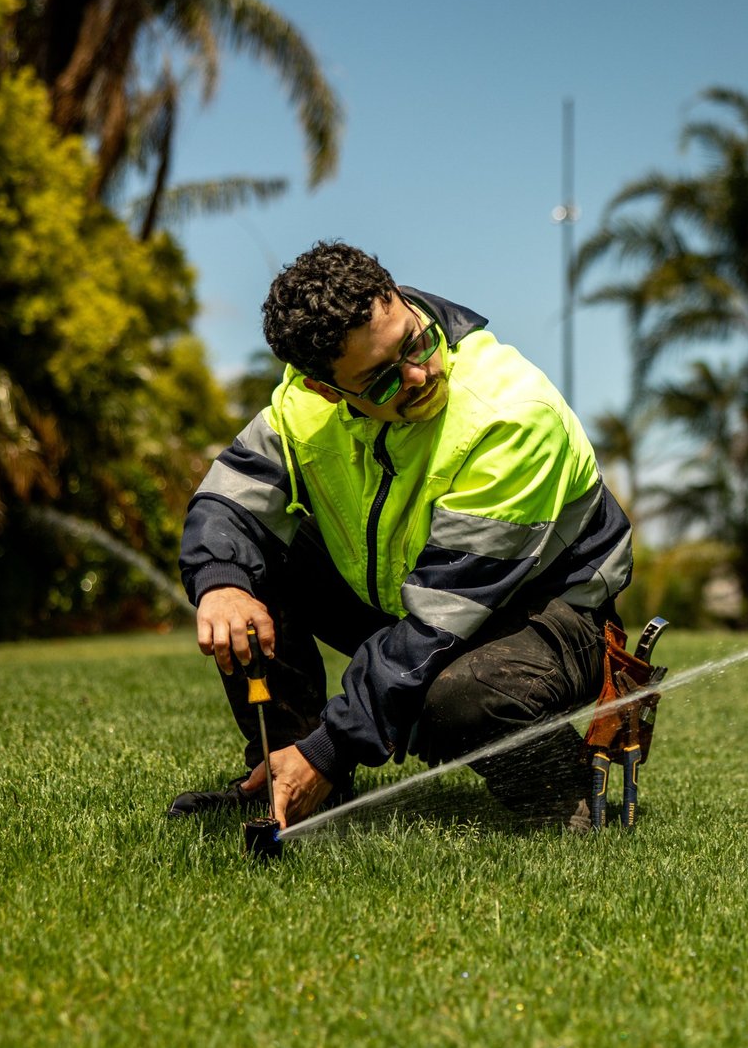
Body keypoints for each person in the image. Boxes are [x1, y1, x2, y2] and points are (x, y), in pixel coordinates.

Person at [171, 243, 633, 831]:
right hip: (408, 597)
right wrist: (222, 584)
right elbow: (226, 501)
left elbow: (437, 625)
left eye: (415, 343)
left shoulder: (511, 416)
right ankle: (284, 777)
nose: (419, 375)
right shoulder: (301, 405)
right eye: (382, 381)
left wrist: (335, 746)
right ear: (328, 391)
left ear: (403, 301)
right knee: (245, 567)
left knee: (461, 697)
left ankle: (562, 797)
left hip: (547, 616)